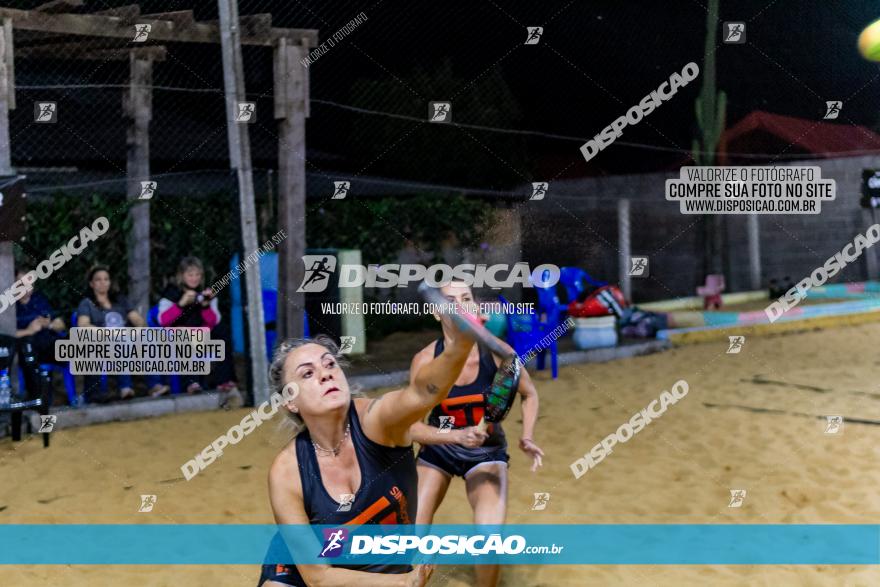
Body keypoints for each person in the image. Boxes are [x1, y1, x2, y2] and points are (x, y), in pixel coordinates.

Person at [258, 305, 478, 586]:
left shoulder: (378, 423)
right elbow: (318, 577)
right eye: (307, 374)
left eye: (329, 364)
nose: (325, 374)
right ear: (290, 401)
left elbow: (422, 394)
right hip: (308, 566)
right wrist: (403, 583)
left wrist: (459, 346)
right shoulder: (287, 471)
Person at [408, 281, 544, 587]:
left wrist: (529, 435)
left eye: (466, 298)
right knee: (410, 535)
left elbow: (530, 394)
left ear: (477, 308)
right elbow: (413, 427)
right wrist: (456, 437)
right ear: (436, 311)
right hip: (440, 449)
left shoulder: (500, 355)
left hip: (486, 452)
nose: (460, 305)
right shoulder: (424, 361)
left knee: (489, 541)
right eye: (450, 300)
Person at [157, 256, 238, 397]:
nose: (194, 278)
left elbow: (214, 321)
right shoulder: (171, 293)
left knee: (222, 332)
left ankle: (224, 380)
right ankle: (190, 383)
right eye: (190, 275)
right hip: (177, 336)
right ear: (182, 276)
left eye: (197, 275)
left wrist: (206, 306)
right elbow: (163, 320)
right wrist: (180, 304)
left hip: (202, 334)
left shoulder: (206, 293)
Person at [77, 265, 146, 401]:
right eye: (98, 280)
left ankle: (155, 386)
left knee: (149, 337)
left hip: (127, 338)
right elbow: (83, 325)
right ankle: (125, 388)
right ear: (91, 284)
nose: (103, 283)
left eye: (106, 279)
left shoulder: (120, 300)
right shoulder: (87, 303)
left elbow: (139, 320)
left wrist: (137, 330)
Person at [14, 265, 66, 364]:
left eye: (30, 284)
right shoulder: (9, 306)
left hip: (49, 345)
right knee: (27, 346)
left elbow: (61, 325)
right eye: (22, 284)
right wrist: (28, 331)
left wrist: (49, 324)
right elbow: (6, 335)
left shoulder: (40, 300)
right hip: (25, 349)